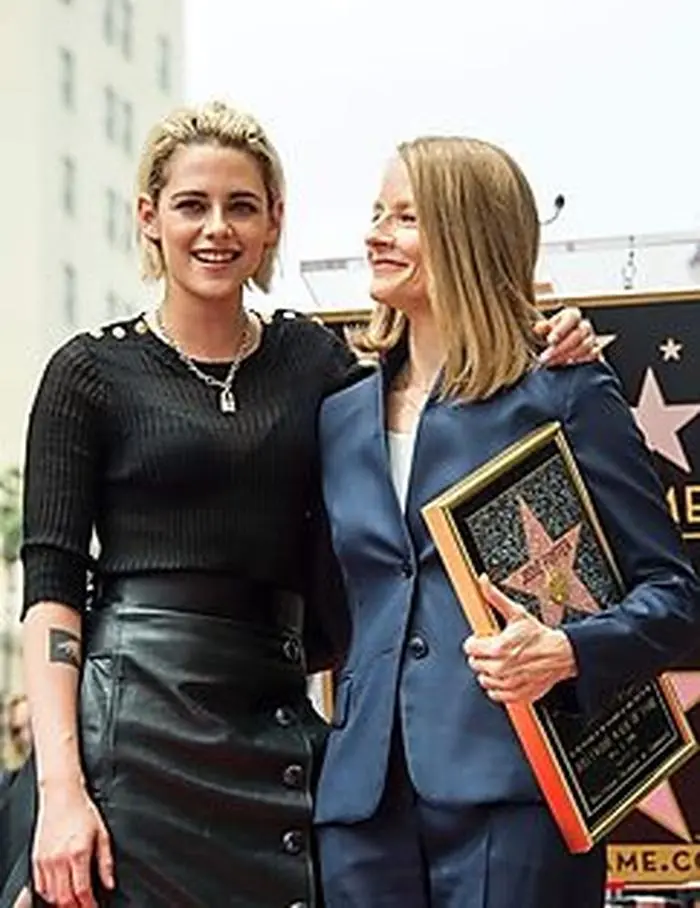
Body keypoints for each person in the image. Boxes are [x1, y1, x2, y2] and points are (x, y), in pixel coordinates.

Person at [1, 102, 594, 908]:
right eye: (191, 205)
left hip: (275, 727)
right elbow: (52, 593)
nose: (217, 228)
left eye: (242, 205)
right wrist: (62, 791)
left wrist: (541, 337)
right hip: (127, 735)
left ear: (276, 220)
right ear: (149, 217)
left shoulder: (317, 362)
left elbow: (440, 393)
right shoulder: (87, 373)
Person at [313, 136, 700, 908]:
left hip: (516, 794)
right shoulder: (335, 416)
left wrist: (566, 650)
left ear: (468, 232)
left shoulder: (559, 391)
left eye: (406, 217)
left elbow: (677, 600)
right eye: (376, 213)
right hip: (359, 809)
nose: (375, 234)